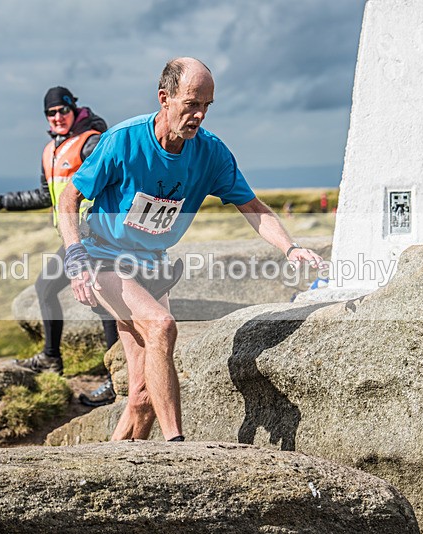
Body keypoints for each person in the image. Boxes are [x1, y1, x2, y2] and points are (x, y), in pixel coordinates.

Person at [57, 57, 323, 442]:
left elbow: (253, 207)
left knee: (143, 397)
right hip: (103, 259)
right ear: (165, 98)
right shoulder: (123, 141)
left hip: (152, 267)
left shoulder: (210, 153)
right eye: (191, 104)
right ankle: (177, 446)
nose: (199, 115)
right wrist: (75, 255)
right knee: (162, 327)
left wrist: (290, 247)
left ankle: (108, 471)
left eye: (206, 106)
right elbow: (69, 199)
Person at [0, 86, 119, 407]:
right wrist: (4, 202)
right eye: (51, 113)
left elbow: (114, 181)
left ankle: (115, 378)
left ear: (74, 109)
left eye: (62, 110)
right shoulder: (51, 150)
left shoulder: (92, 141)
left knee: (102, 302)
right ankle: (52, 359)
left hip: (96, 237)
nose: (57, 117)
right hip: (74, 240)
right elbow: (45, 195)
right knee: (45, 288)